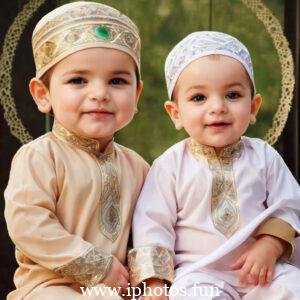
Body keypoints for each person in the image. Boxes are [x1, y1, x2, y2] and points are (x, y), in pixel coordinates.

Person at [128, 31, 300, 299]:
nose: (218, 107)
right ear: (176, 113)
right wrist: (154, 282)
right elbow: (152, 225)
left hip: (263, 269)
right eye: (199, 98)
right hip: (198, 272)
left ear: (253, 107)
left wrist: (270, 245)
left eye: (232, 95)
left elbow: (289, 205)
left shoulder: (264, 156)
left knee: (291, 286)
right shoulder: (170, 165)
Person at [4, 2, 149, 299]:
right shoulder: (40, 157)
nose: (100, 93)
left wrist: (150, 278)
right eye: (78, 80)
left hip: (119, 291)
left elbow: (153, 227)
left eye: (117, 81)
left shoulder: (138, 167)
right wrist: (97, 265)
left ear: (136, 96)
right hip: (50, 288)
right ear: (43, 95)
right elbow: (29, 225)